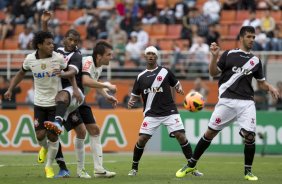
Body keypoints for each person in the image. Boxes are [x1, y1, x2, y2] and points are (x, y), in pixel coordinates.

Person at [175, 26, 280, 181]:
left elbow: (261, 84)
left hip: (246, 102)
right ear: (241, 37)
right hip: (227, 101)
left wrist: (269, 87)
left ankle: (248, 172)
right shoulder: (229, 55)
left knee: (250, 136)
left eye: (254, 37)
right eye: (249, 37)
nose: (252, 40)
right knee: (210, 133)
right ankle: (191, 164)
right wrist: (214, 57)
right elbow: (212, 73)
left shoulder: (255, 61)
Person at [4, 31, 74, 178]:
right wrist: (10, 89)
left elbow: (70, 73)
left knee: (53, 135)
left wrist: (74, 90)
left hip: (55, 103)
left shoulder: (58, 58)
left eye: (52, 43)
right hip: (39, 103)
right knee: (40, 135)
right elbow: (21, 73)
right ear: (39, 45)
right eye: (48, 43)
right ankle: (44, 148)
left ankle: (49, 167)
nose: (52, 46)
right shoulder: (30, 59)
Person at [127, 46, 203, 177]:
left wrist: (179, 88)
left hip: (169, 111)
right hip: (151, 113)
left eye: (153, 54)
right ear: (145, 57)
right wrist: (131, 100)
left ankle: (193, 168)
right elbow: (135, 94)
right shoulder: (140, 77)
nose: (150, 56)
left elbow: (176, 83)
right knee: (142, 139)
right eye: (148, 54)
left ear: (156, 57)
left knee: (181, 136)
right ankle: (134, 168)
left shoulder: (165, 71)